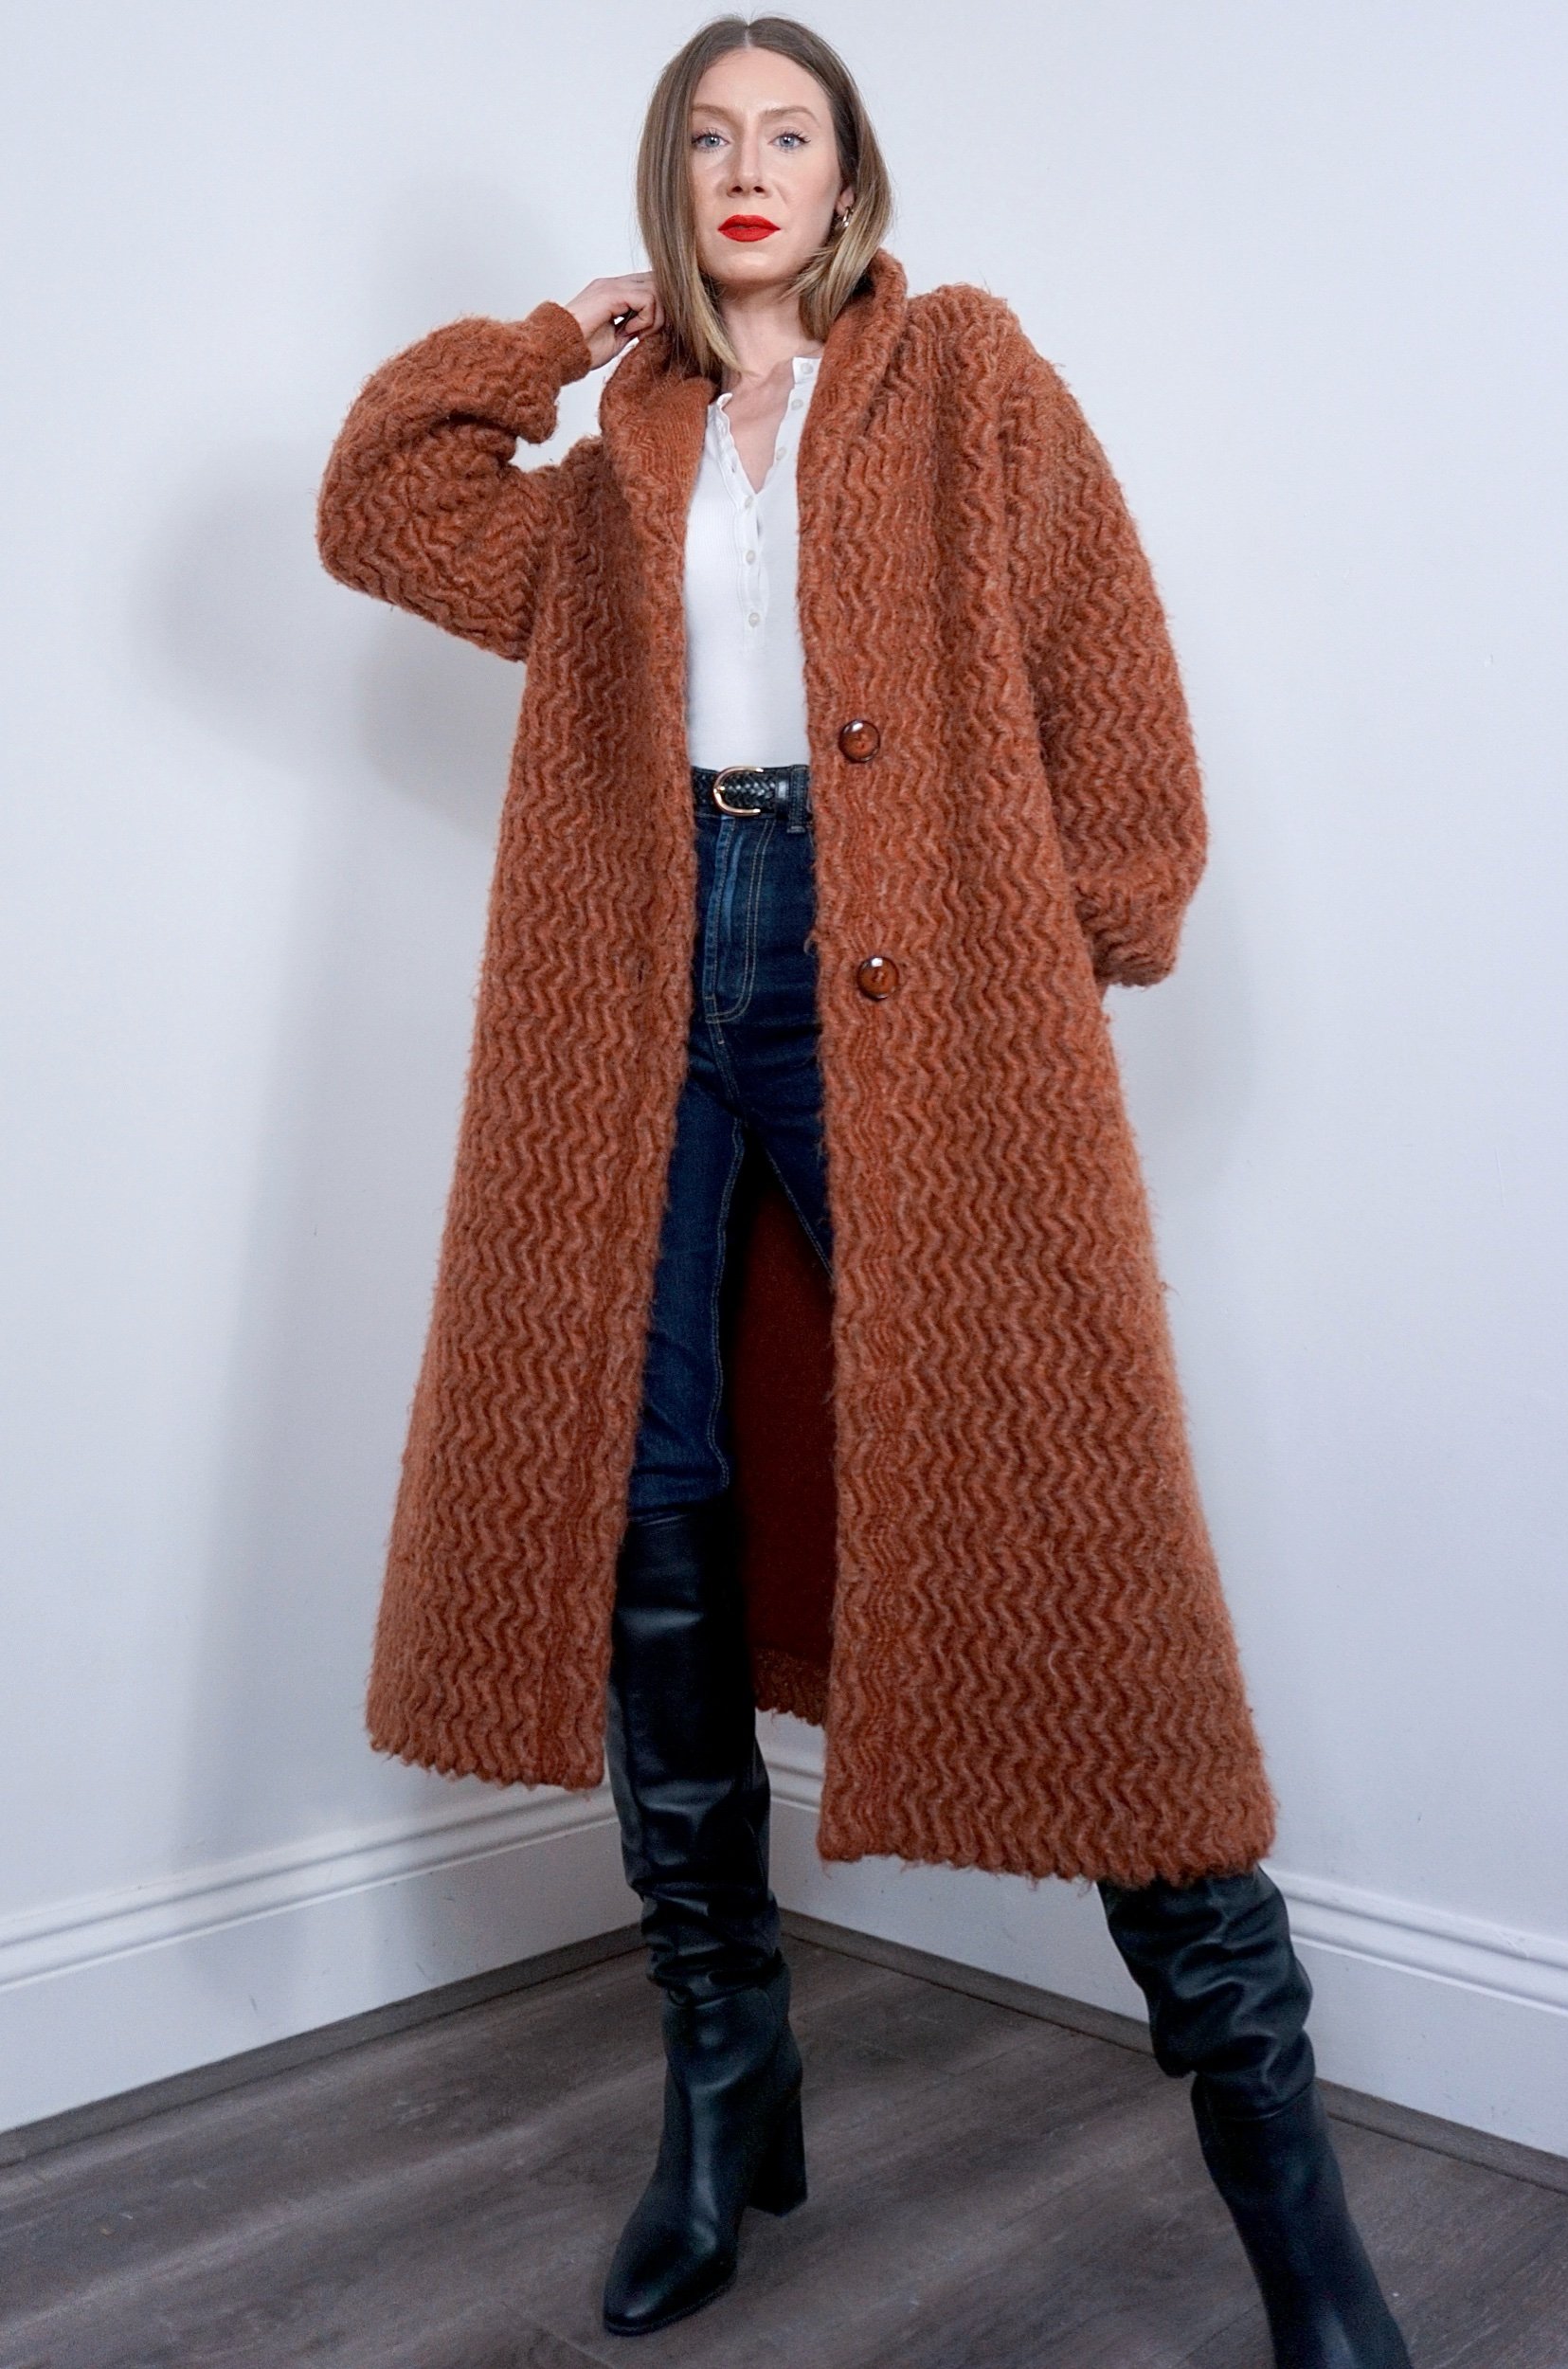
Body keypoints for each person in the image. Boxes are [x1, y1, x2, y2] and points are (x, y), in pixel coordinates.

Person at [315, 15, 1415, 2364]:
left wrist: (1087, 915)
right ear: (670, 182)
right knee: (649, 1503)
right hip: (641, 992)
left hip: (892, 962)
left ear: (846, 178)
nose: (748, 166)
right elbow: (378, 501)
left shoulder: (963, 376)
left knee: (1068, 1536)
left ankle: (1289, 2199)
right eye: (708, 135)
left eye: (788, 132)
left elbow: (1098, 642)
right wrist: (549, 336)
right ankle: (726, 2082)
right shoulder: (609, 458)